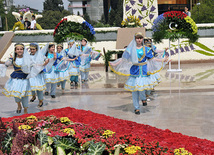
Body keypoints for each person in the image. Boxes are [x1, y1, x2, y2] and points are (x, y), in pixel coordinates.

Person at [109, 32, 169, 115]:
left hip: (143, 71)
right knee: (134, 90)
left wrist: (162, 60)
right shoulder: (130, 49)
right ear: (135, 39)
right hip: (134, 71)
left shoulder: (146, 49)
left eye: (140, 38)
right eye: (137, 38)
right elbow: (123, 59)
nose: (139, 40)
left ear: (142, 39)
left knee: (142, 88)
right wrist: (115, 64)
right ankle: (136, 108)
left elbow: (152, 59)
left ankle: (143, 98)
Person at [2, 43, 31, 114]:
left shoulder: (27, 59)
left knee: (24, 95)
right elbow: (6, 65)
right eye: (18, 49)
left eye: (21, 49)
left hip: (24, 79)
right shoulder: (13, 59)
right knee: (16, 95)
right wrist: (9, 60)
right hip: (15, 79)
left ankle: (25, 109)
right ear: (15, 50)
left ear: (24, 50)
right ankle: (19, 105)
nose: (19, 50)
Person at [28, 43, 49, 107]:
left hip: (38, 74)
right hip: (31, 73)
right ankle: (33, 96)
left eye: (33, 49)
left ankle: (40, 101)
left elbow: (47, 60)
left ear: (36, 49)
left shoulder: (41, 56)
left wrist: (42, 65)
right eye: (31, 49)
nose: (32, 50)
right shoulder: (28, 56)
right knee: (32, 86)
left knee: (39, 88)